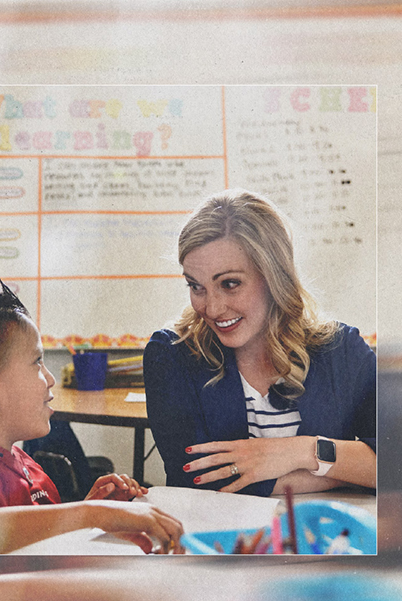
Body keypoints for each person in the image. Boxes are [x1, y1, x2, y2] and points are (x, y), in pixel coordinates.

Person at [0, 278, 184, 554]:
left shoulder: (26, 464)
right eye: (37, 362)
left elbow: (42, 542)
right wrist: (91, 513)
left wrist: (89, 516)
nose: (51, 378)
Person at [144, 189, 375, 498]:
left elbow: (400, 464)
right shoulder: (172, 354)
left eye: (230, 284)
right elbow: (200, 481)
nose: (211, 308)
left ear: (274, 276)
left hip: (325, 539)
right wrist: (348, 473)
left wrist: (300, 451)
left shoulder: (340, 349)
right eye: (196, 286)